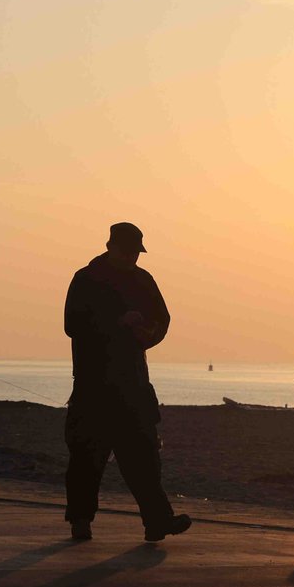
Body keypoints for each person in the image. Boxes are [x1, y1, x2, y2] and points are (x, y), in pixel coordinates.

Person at [63, 222, 191, 542]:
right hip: (93, 384)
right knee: (87, 458)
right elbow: (72, 324)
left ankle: (157, 521)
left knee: (144, 457)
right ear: (111, 247)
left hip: (133, 383)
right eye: (128, 251)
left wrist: (148, 333)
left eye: (136, 252)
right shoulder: (86, 279)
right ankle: (80, 519)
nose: (132, 257)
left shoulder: (143, 279)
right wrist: (117, 322)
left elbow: (162, 319)